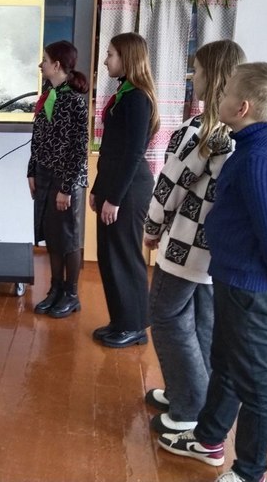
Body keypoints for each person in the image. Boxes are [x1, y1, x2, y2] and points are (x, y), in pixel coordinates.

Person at [158, 62, 267, 482]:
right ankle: (208, 439)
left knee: (255, 384)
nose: (216, 98)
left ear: (242, 107)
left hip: (250, 288)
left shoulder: (259, 159)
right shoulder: (253, 145)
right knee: (224, 364)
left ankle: (250, 472)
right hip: (234, 279)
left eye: (224, 94)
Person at [143, 40, 246, 434]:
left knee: (166, 315)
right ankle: (192, 396)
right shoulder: (235, 133)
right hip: (213, 250)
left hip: (184, 247)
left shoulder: (198, 131)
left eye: (198, 71)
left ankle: (188, 406)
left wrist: (151, 229)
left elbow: (169, 187)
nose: (192, 78)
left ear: (213, 76)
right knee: (202, 321)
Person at [91, 32, 160, 348]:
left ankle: (134, 326)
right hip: (116, 184)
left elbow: (132, 154)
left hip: (129, 190)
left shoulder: (137, 98)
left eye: (110, 54)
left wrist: (115, 198)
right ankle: (120, 320)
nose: (106, 61)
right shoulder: (124, 92)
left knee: (125, 256)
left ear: (127, 58)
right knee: (108, 255)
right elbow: (111, 149)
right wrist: (98, 189)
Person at [27, 41, 89, 318]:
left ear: (56, 64)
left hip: (66, 179)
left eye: (44, 59)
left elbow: (78, 149)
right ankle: (55, 290)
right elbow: (37, 137)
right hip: (44, 175)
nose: (40, 64)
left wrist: (66, 188)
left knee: (68, 238)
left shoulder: (74, 101)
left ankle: (71, 295)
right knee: (52, 235)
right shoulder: (48, 94)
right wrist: (31, 171)